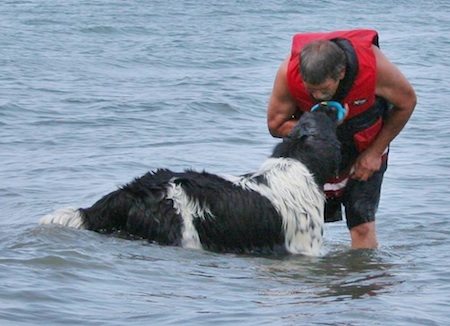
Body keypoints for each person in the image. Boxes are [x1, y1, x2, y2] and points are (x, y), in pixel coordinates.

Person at [267, 29, 416, 249]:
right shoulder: (288, 73)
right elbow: (275, 125)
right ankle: (301, 281)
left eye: (324, 90)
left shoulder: (376, 68)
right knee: (298, 224)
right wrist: (318, 126)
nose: (318, 96)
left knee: (361, 224)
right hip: (316, 152)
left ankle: (361, 280)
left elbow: (407, 102)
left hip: (366, 146)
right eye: (311, 91)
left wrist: (374, 153)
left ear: (342, 73)